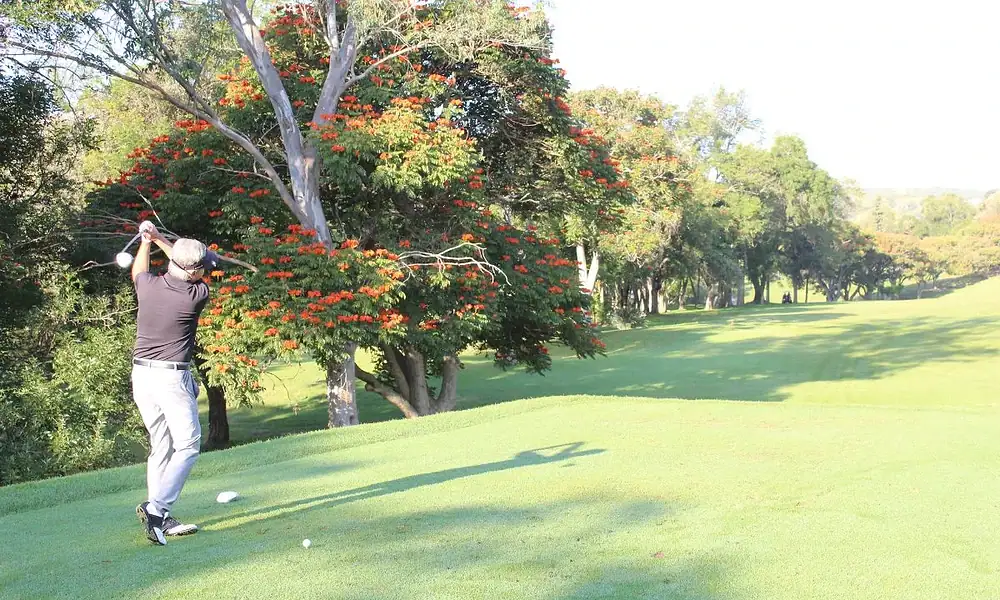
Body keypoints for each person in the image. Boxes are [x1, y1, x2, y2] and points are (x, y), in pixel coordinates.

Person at [130, 221, 219, 545]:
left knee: (162, 446)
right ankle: (157, 509)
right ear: (195, 272)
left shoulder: (149, 286)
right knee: (188, 445)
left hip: (141, 376)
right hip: (170, 378)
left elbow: (140, 271)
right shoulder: (196, 295)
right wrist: (160, 239)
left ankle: (161, 517)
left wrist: (147, 241)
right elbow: (186, 266)